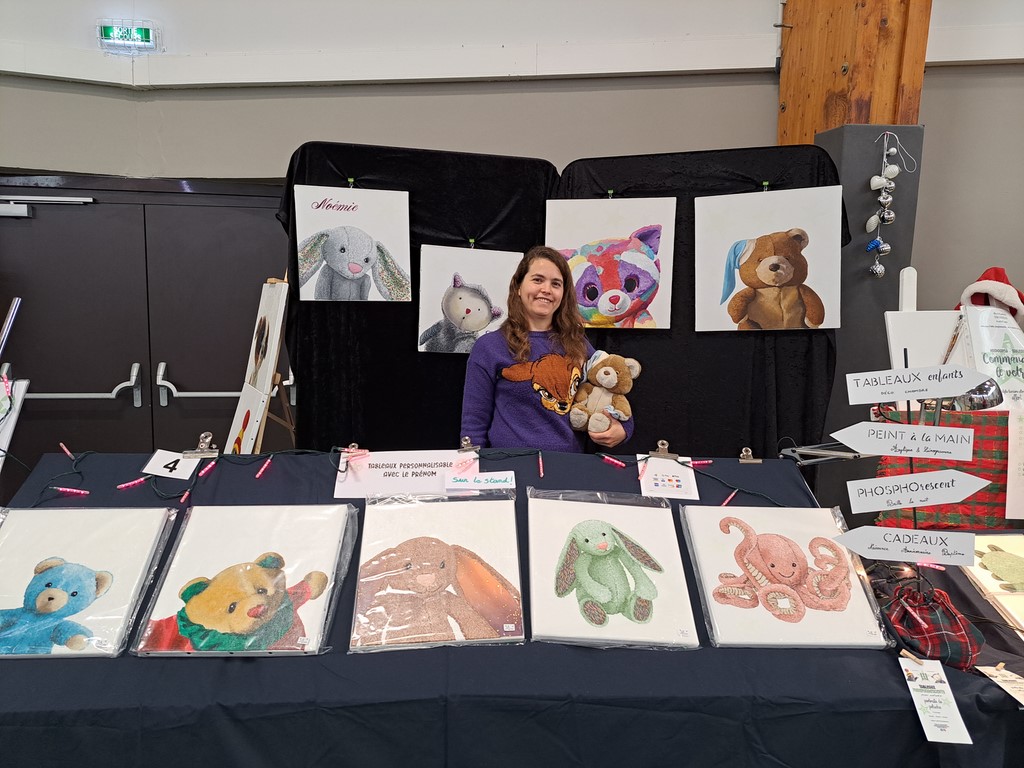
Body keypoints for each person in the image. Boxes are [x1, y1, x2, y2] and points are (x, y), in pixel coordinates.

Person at [460, 246, 632, 452]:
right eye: (537, 280)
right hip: (509, 464)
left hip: (568, 463)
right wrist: (470, 464)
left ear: (563, 293)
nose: (547, 289)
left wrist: (623, 428)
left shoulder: (577, 343)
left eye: (556, 284)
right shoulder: (489, 347)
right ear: (518, 286)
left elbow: (610, 387)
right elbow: (474, 421)